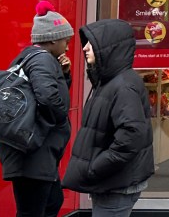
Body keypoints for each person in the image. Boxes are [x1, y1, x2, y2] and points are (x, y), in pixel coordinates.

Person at [63, 19, 154, 216]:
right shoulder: (109, 82)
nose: (85, 48)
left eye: (92, 43)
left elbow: (131, 135)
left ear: (109, 48)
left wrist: (96, 167)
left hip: (116, 185)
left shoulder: (123, 86)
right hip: (112, 182)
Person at [0, 1, 75, 217]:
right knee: (34, 210)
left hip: (36, 154)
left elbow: (48, 94)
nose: (67, 47)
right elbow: (48, 98)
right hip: (34, 154)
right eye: (66, 41)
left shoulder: (32, 58)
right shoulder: (42, 61)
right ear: (53, 39)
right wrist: (61, 119)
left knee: (52, 202)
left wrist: (64, 75)